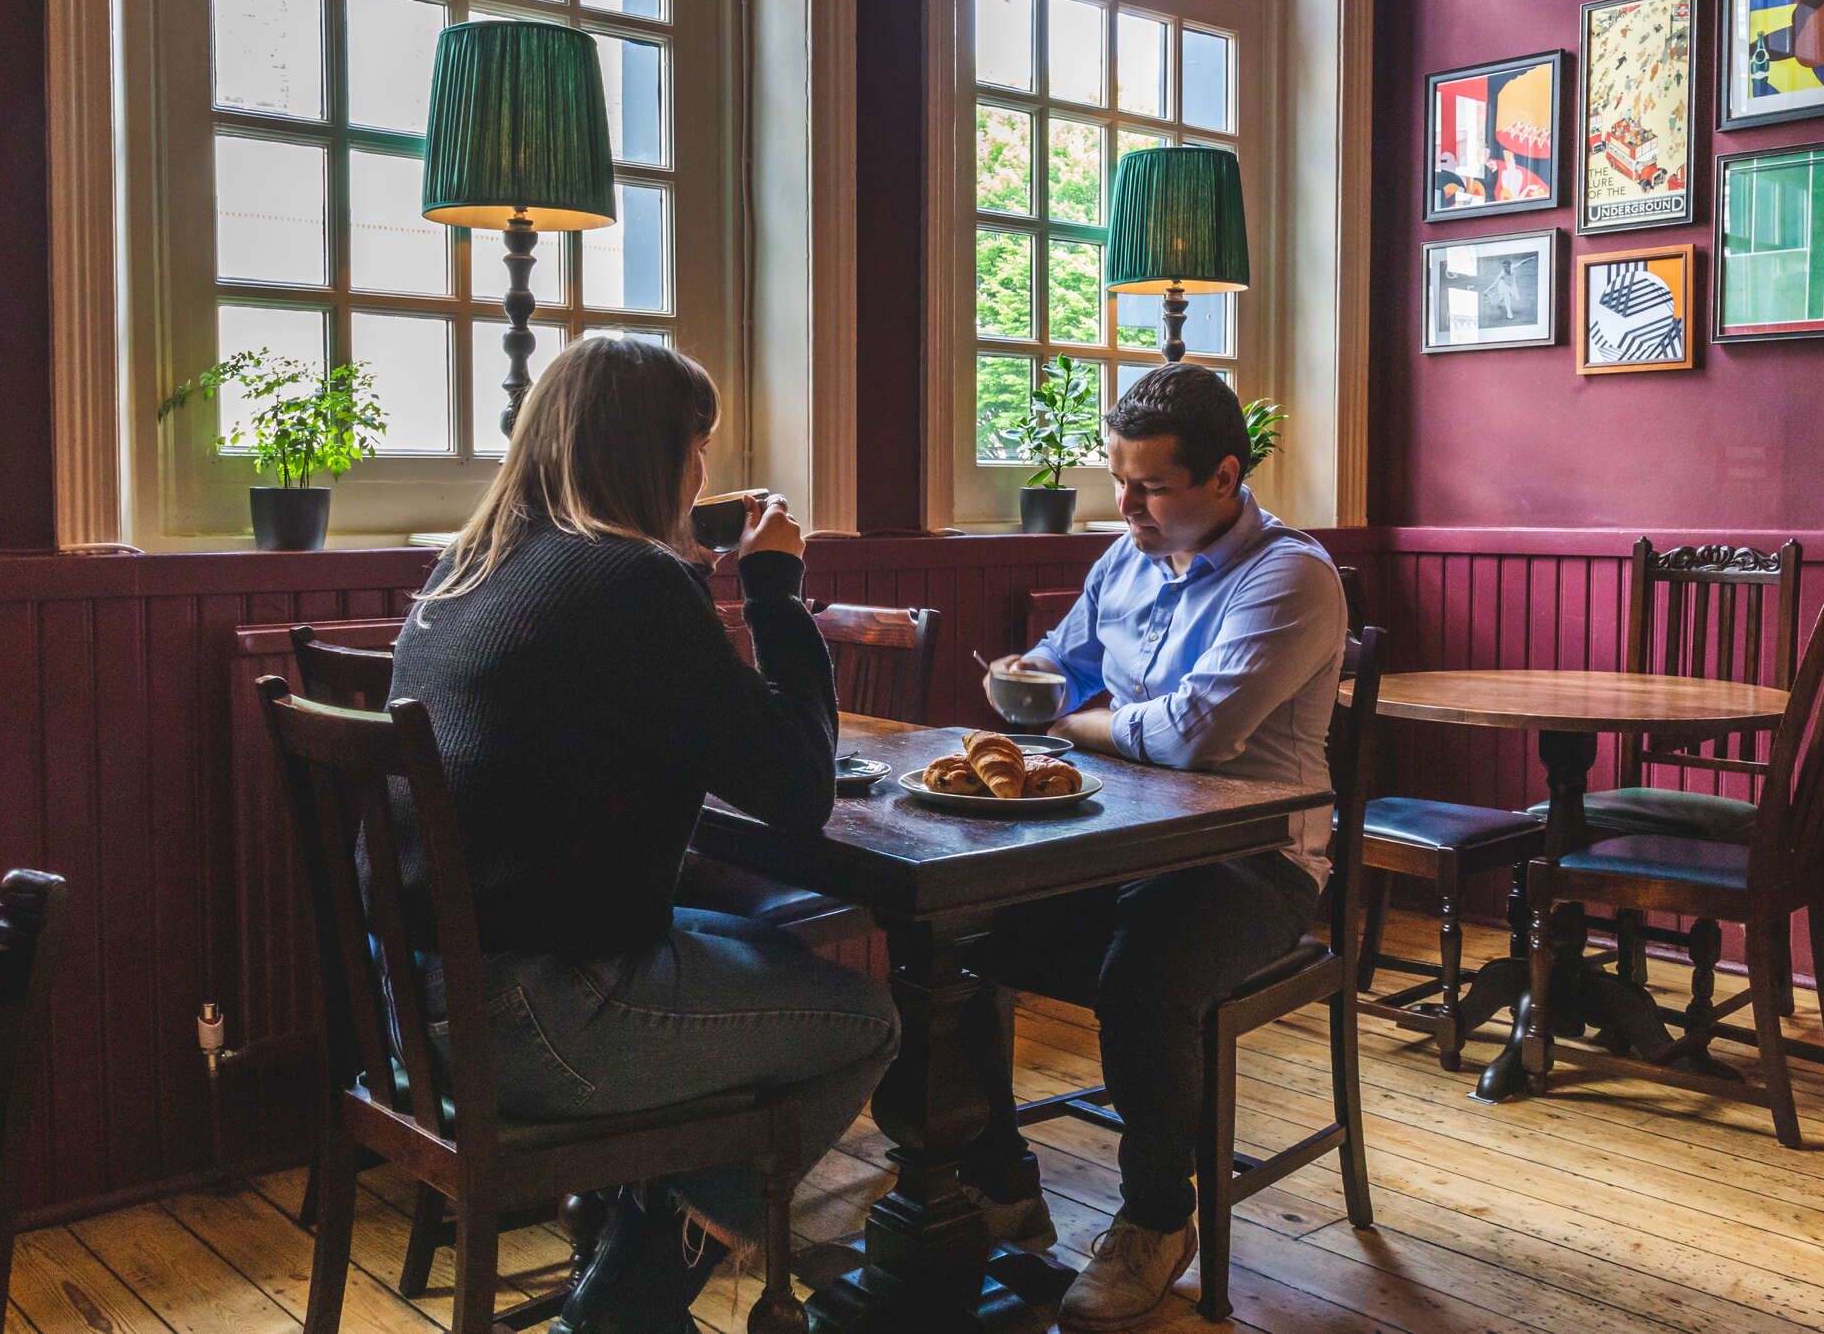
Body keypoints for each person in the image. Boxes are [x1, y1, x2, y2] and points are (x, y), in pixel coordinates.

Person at [387, 335, 899, 1334]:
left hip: (412, 1003)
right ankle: (628, 1298)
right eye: (698, 442)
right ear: (664, 453)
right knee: (866, 1019)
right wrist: (773, 589)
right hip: (538, 1020)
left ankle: (636, 1247)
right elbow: (796, 788)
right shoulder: (631, 582)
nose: (703, 466)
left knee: (763, 948)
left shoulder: (469, 566)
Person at [961, 364, 1347, 1332]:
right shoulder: (1124, 558)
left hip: (1256, 862)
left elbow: (1190, 734)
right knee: (960, 927)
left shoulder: (1292, 575)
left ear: (1223, 477)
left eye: (1147, 486)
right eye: (1116, 476)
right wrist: (1027, 673)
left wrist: (1075, 722)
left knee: (1143, 970)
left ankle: (1155, 1216)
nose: (1122, 503)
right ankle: (996, 1180)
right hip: (1124, 844)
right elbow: (1057, 660)